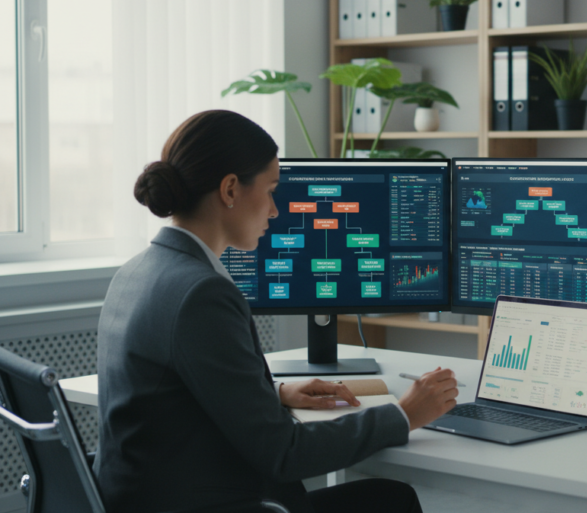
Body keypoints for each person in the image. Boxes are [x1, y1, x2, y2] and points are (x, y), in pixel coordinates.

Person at [93, 110, 458, 513]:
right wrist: (403, 414)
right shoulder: (202, 293)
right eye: (270, 190)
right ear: (230, 189)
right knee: (392, 499)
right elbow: (285, 454)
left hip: (143, 499)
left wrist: (275, 395)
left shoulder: (136, 271)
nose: (275, 210)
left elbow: (177, 400)